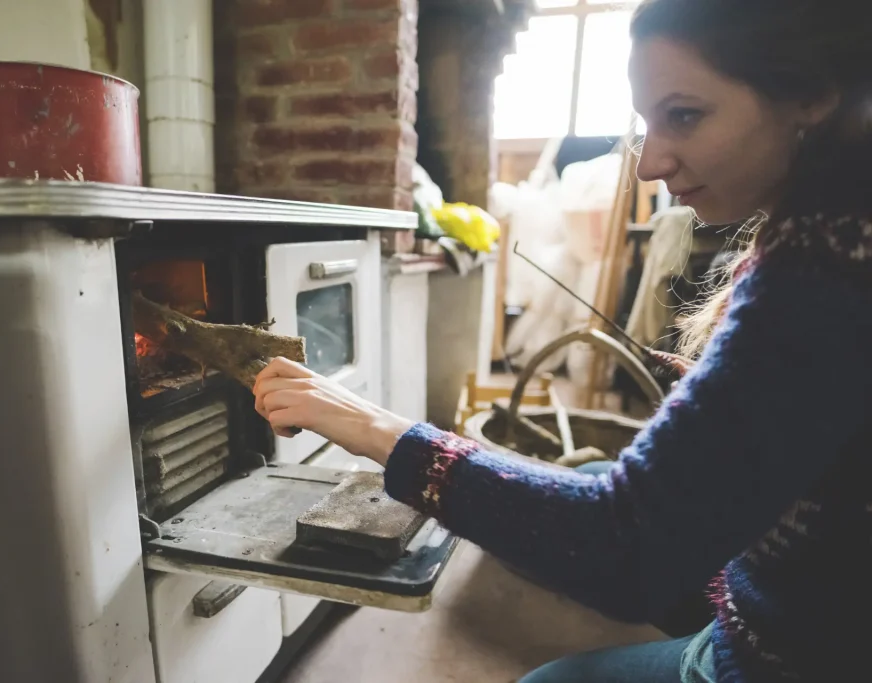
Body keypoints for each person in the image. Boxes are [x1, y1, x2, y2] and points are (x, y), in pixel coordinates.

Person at [253, 1, 872, 680]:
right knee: (578, 479)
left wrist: (377, 429)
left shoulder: (826, 271)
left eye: (685, 115)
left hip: (804, 655)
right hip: (797, 582)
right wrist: (726, 387)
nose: (650, 163)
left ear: (811, 95)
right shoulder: (835, 228)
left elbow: (624, 548)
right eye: (646, 123)